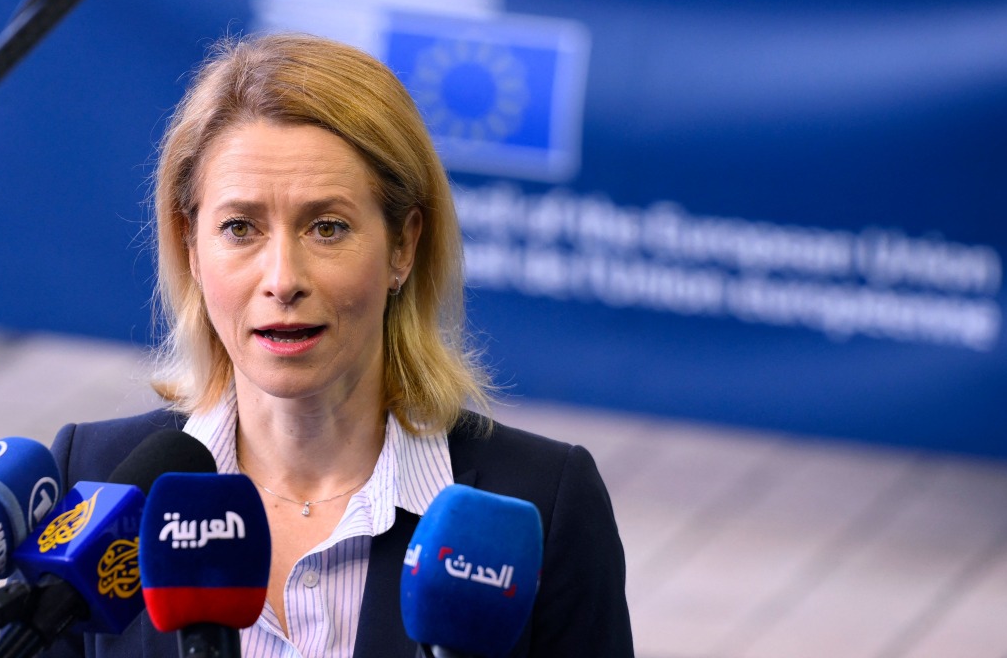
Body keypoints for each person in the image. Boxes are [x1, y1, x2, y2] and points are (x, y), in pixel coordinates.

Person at [43, 33, 632, 657]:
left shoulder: (540, 505)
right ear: (190, 246)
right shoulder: (93, 481)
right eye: (240, 228)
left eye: (327, 228)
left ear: (403, 246)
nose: (282, 280)